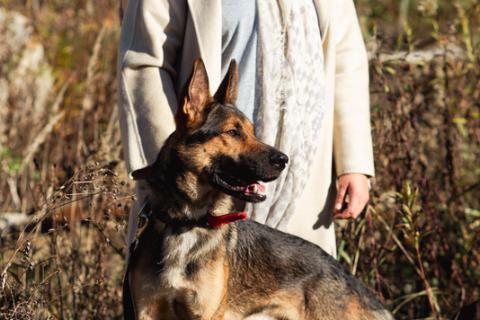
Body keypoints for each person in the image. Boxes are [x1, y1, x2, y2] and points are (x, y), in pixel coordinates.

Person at [118, 0, 374, 258]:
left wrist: (354, 163)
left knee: (293, 288)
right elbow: (145, 62)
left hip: (301, 181)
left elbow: (346, 59)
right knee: (191, 288)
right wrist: (168, 166)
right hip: (201, 187)